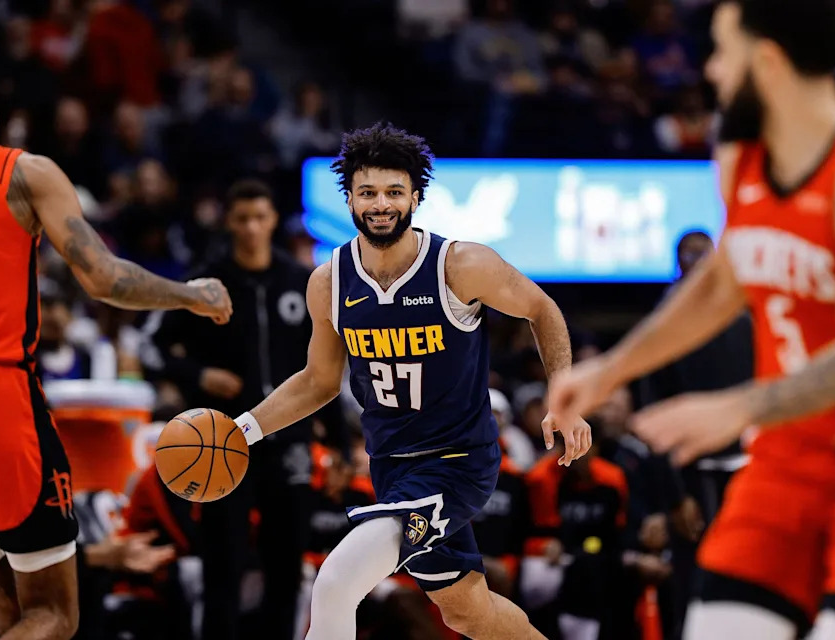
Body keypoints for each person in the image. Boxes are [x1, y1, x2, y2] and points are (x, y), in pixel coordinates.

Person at [547, 1, 835, 638]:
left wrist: (740, 406)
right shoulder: (741, 158)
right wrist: (610, 369)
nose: (710, 69)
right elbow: (722, 282)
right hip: (787, 463)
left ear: (768, 62)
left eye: (723, 51)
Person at [228, 122, 591, 639]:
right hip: (391, 470)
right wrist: (241, 430)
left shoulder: (459, 265)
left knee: (335, 583)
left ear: (416, 197)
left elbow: (542, 309)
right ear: (349, 199)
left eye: (395, 192)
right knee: (469, 612)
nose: (381, 204)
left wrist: (565, 399)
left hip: (458, 464)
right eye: (368, 192)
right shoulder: (328, 281)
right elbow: (318, 381)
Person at [0, 52, 231, 640]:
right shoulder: (23, 172)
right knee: (54, 617)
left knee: (9, 614)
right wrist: (190, 295)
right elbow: (103, 278)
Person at [145, 178, 344, 639]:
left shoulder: (302, 281)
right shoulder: (205, 283)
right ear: (229, 223)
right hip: (222, 442)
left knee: (286, 565)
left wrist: (337, 441)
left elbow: (325, 368)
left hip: (290, 439)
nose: (252, 228)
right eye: (242, 219)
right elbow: (153, 347)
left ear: (273, 219)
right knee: (224, 565)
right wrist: (199, 376)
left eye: (260, 217)